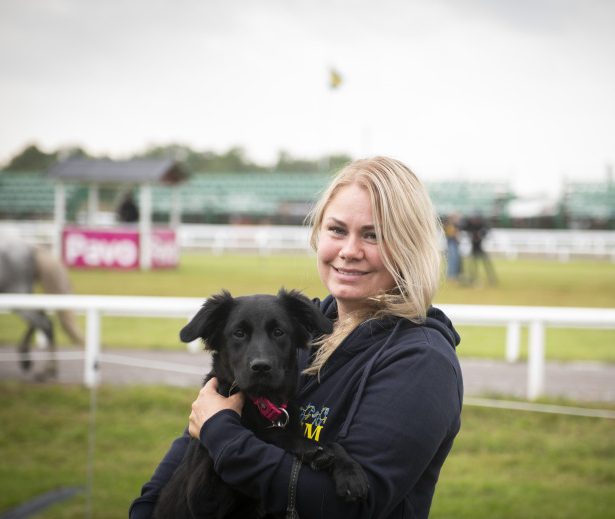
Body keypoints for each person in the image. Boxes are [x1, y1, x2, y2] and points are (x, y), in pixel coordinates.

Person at [130, 156, 464, 518]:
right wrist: (144, 509)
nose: (349, 251)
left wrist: (222, 435)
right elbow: (197, 435)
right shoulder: (293, 331)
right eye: (337, 230)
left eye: (373, 235)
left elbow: (347, 507)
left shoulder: (422, 362)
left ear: (409, 246)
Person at [463, 213, 498, 287]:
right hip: (474, 248)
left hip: (479, 248)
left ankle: (492, 279)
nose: (474, 220)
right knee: (472, 266)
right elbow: (464, 228)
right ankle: (471, 279)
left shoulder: (481, 226)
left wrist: (480, 236)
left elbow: (487, 231)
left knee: (487, 265)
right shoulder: (470, 226)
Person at [444, 212, 462, 281]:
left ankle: (454, 274)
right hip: (452, 243)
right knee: (452, 259)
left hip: (453, 243)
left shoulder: (453, 225)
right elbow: (451, 234)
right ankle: (451, 275)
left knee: (455, 259)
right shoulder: (449, 225)